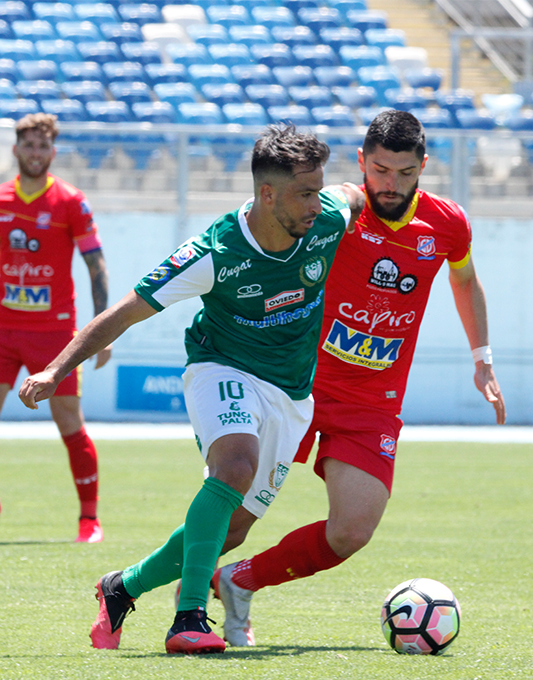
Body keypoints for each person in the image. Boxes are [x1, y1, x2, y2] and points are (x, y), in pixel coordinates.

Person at [17, 124, 365, 654]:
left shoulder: (328, 218)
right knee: (234, 467)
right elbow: (124, 312)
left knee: (232, 531)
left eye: (319, 190)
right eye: (304, 193)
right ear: (266, 194)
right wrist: (55, 371)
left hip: (292, 394)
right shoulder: (214, 251)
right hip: (221, 368)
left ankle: (122, 587)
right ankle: (189, 619)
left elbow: (359, 196)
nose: (316, 204)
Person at [212, 110, 507, 646]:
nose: (389, 185)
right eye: (378, 170)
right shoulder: (333, 211)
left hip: (372, 401)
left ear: (423, 166)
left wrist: (481, 356)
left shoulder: (447, 224)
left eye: (403, 173)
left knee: (352, 530)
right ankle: (149, 592)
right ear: (360, 162)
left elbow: (465, 280)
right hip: (298, 385)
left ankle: (239, 581)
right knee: (231, 518)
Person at [0, 113, 111, 544]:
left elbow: (95, 264)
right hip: (3, 329)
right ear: (16, 150)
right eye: (29, 146)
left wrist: (101, 331)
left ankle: (88, 519)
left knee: (69, 424)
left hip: (56, 334)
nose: (36, 153)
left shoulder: (70, 202)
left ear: (52, 152)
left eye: (43, 147)